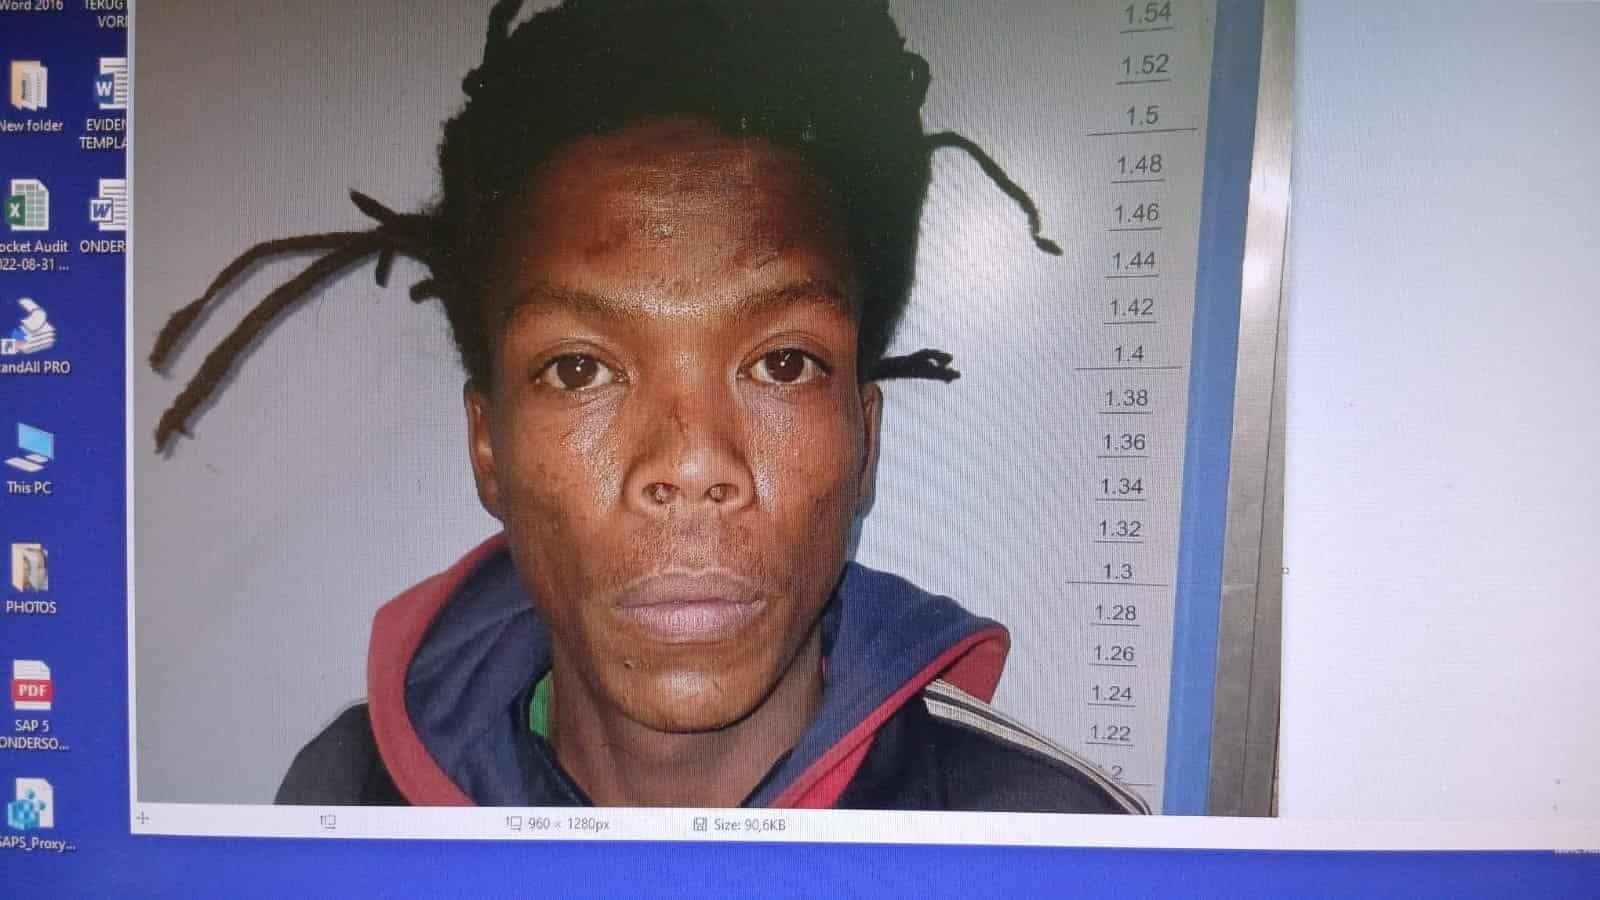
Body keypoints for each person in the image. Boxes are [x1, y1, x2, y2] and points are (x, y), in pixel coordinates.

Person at [149, 0, 1147, 813]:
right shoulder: (346, 798)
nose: (693, 462)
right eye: (578, 369)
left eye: (783, 363)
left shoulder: (1052, 848)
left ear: (865, 443)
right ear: (488, 447)